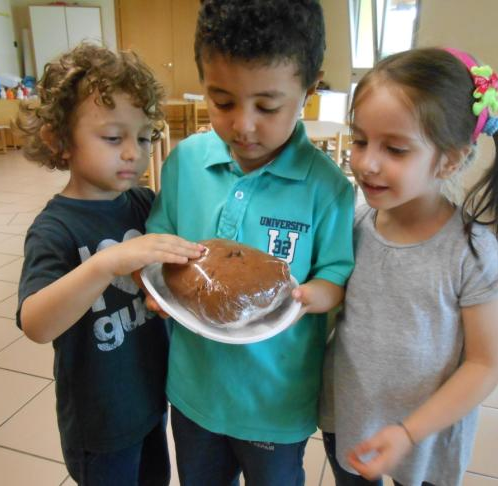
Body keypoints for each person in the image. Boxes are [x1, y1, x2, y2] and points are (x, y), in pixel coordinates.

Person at [145, 1, 355, 484]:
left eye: (267, 106)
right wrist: (155, 287)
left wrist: (307, 297)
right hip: (195, 392)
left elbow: (336, 273)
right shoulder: (185, 163)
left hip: (275, 404)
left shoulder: (327, 188)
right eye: (222, 102)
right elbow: (160, 244)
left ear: (309, 87)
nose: (243, 125)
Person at [319, 47, 498, 486]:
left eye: (394, 148)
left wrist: (410, 432)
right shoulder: (354, 223)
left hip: (428, 438)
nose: (366, 162)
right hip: (352, 419)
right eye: (359, 140)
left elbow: (485, 364)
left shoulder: (472, 251)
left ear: (450, 159)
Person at [16, 43, 203, 486]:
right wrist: (105, 264)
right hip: (98, 424)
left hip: (151, 401)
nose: (132, 154)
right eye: (113, 138)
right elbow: (36, 324)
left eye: (142, 138)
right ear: (59, 140)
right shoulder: (55, 228)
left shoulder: (143, 203)